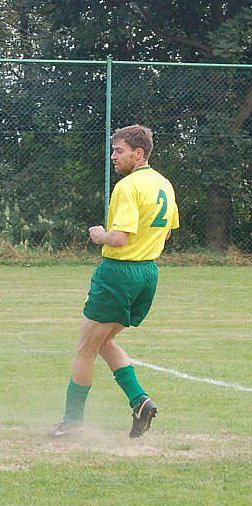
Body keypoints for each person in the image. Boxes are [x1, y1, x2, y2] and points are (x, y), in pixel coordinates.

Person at [53, 124, 179, 438]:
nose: (113, 156)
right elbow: (166, 229)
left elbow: (120, 238)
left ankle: (71, 423)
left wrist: (100, 235)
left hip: (119, 273)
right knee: (104, 342)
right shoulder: (164, 184)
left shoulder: (128, 186)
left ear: (139, 153)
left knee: (85, 347)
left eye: (119, 150)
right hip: (148, 274)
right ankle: (140, 401)